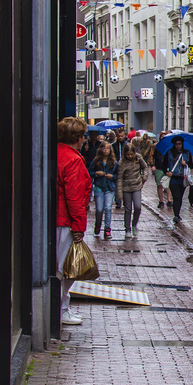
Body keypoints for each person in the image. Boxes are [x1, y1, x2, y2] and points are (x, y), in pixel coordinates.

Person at [57, 117, 93, 326]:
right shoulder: (73, 160)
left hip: (56, 217)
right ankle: (61, 308)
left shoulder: (56, 154)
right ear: (79, 139)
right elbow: (75, 197)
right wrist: (79, 226)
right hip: (65, 220)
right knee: (64, 268)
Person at [116, 143, 148, 239]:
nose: (130, 156)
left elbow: (145, 167)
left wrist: (144, 177)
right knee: (128, 209)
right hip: (126, 187)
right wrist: (119, 194)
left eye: (131, 154)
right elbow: (119, 178)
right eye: (128, 154)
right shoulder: (121, 163)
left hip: (137, 186)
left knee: (138, 206)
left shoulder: (138, 158)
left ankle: (134, 224)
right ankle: (127, 228)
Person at [88, 141, 118, 240]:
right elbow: (89, 172)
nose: (105, 150)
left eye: (107, 148)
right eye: (104, 148)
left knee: (108, 208)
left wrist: (112, 176)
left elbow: (118, 175)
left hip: (109, 187)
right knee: (99, 209)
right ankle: (98, 224)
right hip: (99, 187)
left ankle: (107, 228)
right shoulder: (96, 160)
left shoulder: (114, 162)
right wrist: (96, 173)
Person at [164, 135, 193, 224]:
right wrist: (167, 172)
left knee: (180, 197)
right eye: (176, 144)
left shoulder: (187, 153)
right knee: (176, 196)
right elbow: (164, 165)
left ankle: (178, 213)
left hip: (183, 178)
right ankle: (176, 215)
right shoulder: (169, 153)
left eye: (180, 144)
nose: (178, 146)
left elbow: (192, 165)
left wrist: (186, 163)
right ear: (174, 144)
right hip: (173, 178)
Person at [153, 131, 173, 210]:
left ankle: (169, 200)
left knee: (168, 185)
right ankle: (161, 201)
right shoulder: (157, 147)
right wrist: (153, 165)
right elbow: (153, 156)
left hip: (167, 167)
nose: (162, 138)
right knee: (159, 185)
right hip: (159, 167)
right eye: (162, 136)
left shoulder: (169, 147)